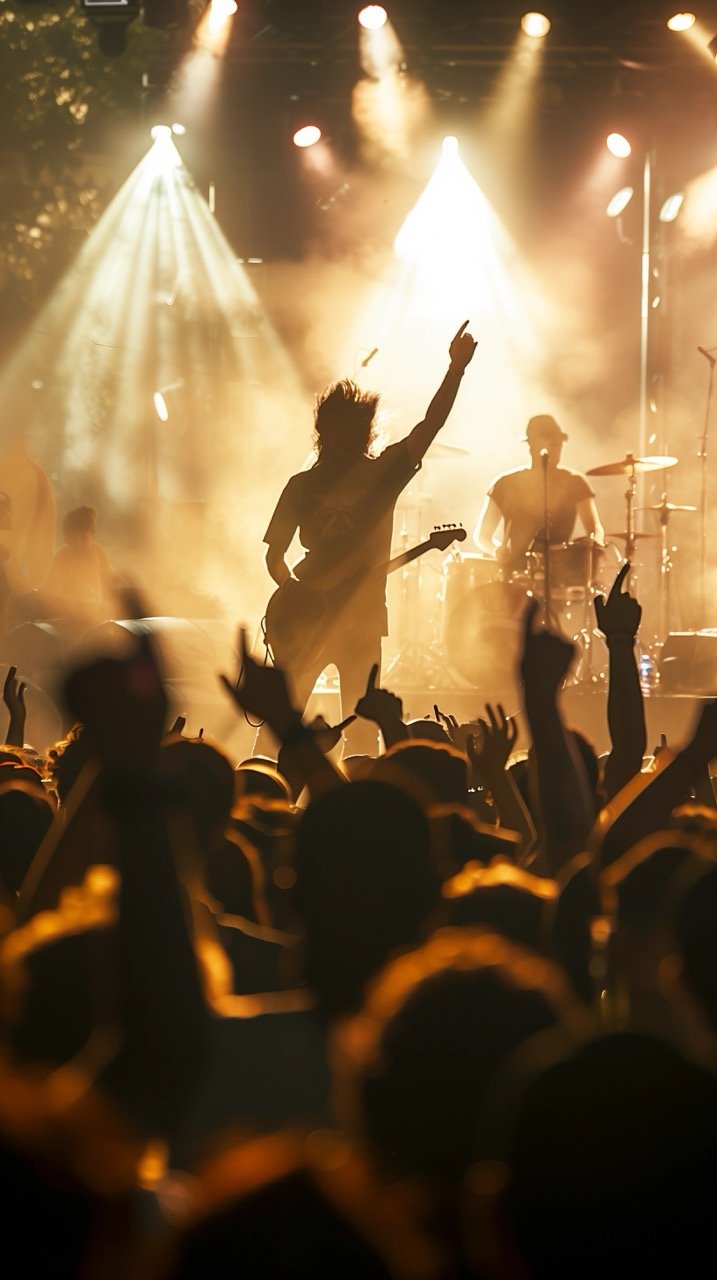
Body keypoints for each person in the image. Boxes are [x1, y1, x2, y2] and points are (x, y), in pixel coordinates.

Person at [263, 322, 477, 750]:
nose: (350, 437)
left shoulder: (383, 473)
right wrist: (294, 591)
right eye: (341, 428)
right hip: (305, 615)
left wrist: (455, 370)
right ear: (325, 431)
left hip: (362, 617)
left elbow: (429, 425)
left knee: (360, 723)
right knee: (282, 725)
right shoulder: (300, 486)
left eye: (357, 428)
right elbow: (274, 555)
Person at [474, 414, 605, 575]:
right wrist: (496, 550)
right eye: (552, 445)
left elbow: (595, 528)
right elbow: (482, 536)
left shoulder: (576, 482)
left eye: (559, 445)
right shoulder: (505, 484)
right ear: (531, 446)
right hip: (515, 575)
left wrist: (594, 546)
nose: (557, 450)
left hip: (562, 575)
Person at [44, 505, 123, 626]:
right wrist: (72, 605)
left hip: (95, 619)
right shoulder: (61, 558)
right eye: (74, 539)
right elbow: (51, 594)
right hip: (68, 621)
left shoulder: (97, 552)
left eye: (84, 538)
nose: (79, 544)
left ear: (92, 536)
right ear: (67, 538)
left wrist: (129, 590)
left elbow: (111, 578)